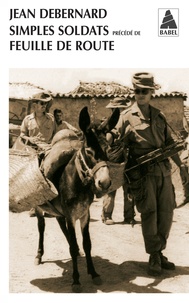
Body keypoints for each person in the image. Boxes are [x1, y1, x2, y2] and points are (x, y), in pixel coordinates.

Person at [107, 72, 189, 276]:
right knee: (150, 213)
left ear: (152, 93)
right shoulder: (127, 116)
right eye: (137, 91)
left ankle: (159, 251)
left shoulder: (159, 115)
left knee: (167, 213)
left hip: (164, 172)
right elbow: (114, 135)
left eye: (145, 91)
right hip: (143, 175)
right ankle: (154, 254)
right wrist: (108, 136)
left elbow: (170, 145)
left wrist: (182, 167)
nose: (141, 94)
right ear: (134, 92)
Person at [101, 97, 136, 225]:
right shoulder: (112, 123)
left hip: (127, 156)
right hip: (117, 157)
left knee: (127, 187)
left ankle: (124, 216)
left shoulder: (128, 121)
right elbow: (108, 140)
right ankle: (108, 215)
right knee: (113, 187)